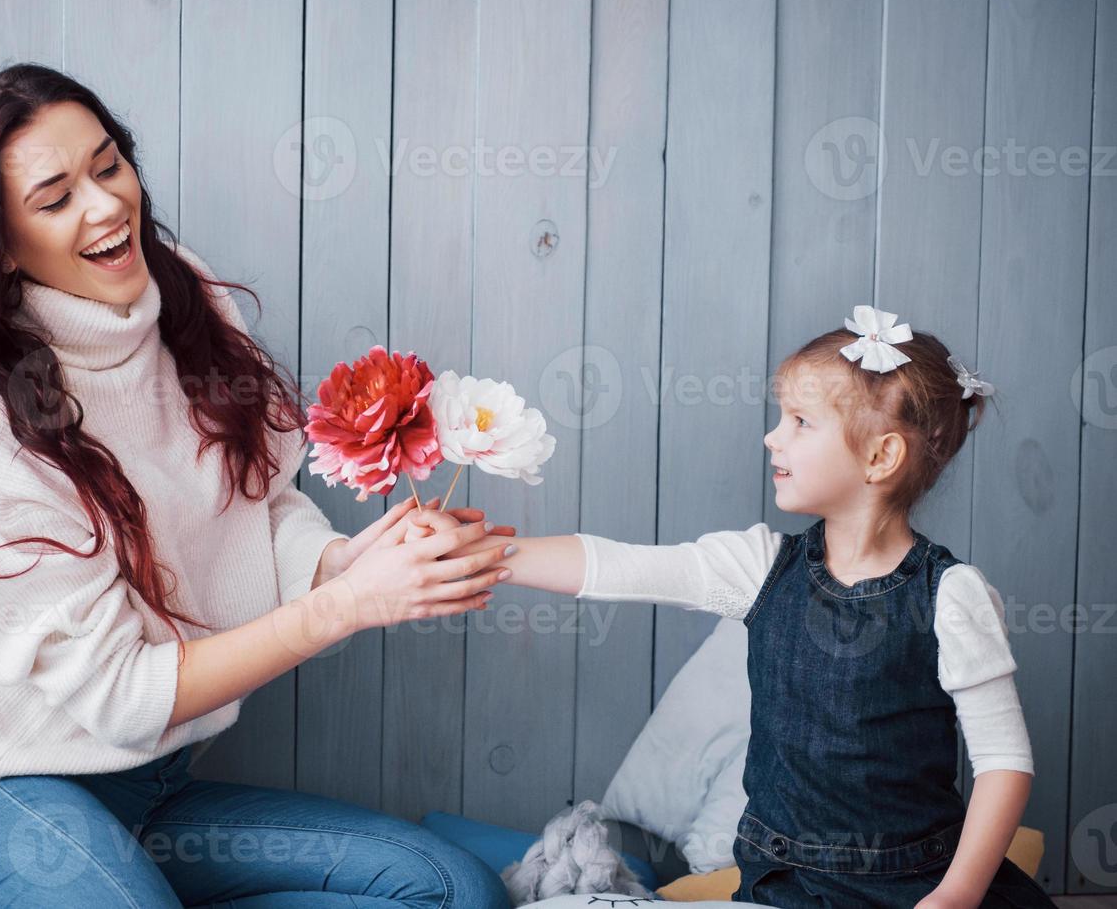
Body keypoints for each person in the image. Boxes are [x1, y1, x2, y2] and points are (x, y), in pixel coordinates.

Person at [0, 63, 514, 908]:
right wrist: (343, 607)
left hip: (156, 791)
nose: (105, 206)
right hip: (4, 791)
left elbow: (260, 507)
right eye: (55, 199)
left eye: (108, 164)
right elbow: (126, 696)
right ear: (2, 247)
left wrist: (348, 564)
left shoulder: (185, 301)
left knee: (457, 890)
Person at [421, 306, 1057, 908]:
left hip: (917, 886)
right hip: (783, 888)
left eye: (800, 422)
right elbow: (621, 564)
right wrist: (478, 550)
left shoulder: (951, 594)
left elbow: (1003, 764)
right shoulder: (759, 566)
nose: (772, 437)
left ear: (880, 456)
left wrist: (957, 895)